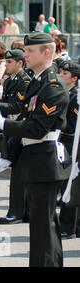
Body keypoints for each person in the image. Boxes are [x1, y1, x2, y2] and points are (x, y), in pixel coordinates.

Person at [0, 32, 69, 267]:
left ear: (47, 53)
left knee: (43, 227)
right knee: (44, 225)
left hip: (45, 160)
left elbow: (37, 128)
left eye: (30, 51)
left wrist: (2, 124)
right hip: (34, 159)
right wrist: (10, 156)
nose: (26, 55)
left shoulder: (52, 85)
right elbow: (25, 117)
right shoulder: (38, 81)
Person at [0, 49, 31, 225]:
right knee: (17, 173)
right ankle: (20, 210)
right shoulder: (11, 80)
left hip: (19, 127)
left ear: (19, 63)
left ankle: (18, 211)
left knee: (19, 174)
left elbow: (17, 107)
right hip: (10, 128)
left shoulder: (24, 81)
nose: (6, 65)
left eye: (9, 62)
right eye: (5, 62)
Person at [58, 61, 80, 240]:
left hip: (71, 144)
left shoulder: (75, 97)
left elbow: (72, 126)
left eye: (65, 74)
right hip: (64, 144)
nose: (61, 75)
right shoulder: (65, 93)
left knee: (69, 186)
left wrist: (56, 125)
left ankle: (68, 227)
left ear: (74, 78)